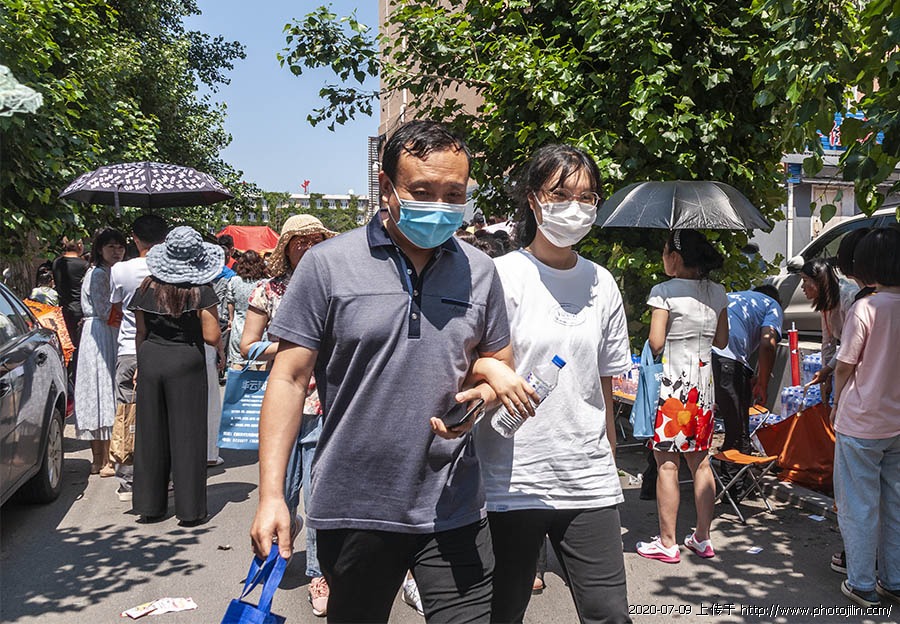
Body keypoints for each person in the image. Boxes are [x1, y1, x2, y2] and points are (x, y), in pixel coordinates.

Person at [249, 120, 511, 623]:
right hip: (355, 505)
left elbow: (498, 366)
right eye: (423, 191)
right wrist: (272, 496)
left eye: (454, 194)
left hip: (452, 502)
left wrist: (480, 398)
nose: (440, 205)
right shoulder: (327, 265)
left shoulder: (480, 271)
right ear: (386, 186)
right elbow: (288, 379)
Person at [473, 144, 633, 622]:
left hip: (588, 478)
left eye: (587, 197)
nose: (574, 207)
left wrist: (609, 456)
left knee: (609, 614)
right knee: (503, 612)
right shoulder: (501, 276)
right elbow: (470, 364)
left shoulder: (602, 283)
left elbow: (603, 384)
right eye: (561, 194)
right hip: (512, 479)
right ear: (533, 199)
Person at [240, 214, 336, 617]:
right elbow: (246, 346)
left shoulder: (336, 286)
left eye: (316, 240)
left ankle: (318, 573)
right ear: (286, 248)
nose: (309, 247)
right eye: (301, 241)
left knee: (317, 496)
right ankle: (278, 539)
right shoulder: (267, 291)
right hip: (281, 406)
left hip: (323, 405)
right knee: (282, 487)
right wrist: (292, 347)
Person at [636, 229, 728, 564]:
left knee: (667, 464)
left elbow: (656, 342)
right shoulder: (717, 292)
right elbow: (721, 341)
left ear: (675, 257)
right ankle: (702, 537)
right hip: (702, 389)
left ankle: (667, 542)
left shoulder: (664, 292)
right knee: (701, 462)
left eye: (664, 252)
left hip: (673, 389)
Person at [130, 226, 223, 525]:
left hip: (151, 356)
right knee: (188, 434)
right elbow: (211, 335)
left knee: (150, 432)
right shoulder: (200, 290)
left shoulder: (146, 287)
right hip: (185, 359)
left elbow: (141, 331)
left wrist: (141, 364)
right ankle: (189, 510)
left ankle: (149, 505)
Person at [831, 227, 900, 609]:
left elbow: (845, 365)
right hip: (897, 424)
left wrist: (836, 401)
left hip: (861, 422)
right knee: (895, 505)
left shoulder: (866, 307)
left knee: (859, 505)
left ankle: (861, 583)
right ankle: (894, 579)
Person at [109, 214, 168, 502]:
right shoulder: (171, 269)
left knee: (127, 412)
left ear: (134, 238)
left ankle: (128, 479)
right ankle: (164, 476)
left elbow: (115, 307)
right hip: (163, 348)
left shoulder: (120, 270)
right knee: (163, 413)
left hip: (129, 349)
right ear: (165, 238)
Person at [74, 228, 126, 475]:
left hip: (104, 332)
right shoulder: (99, 274)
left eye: (120, 247)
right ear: (100, 249)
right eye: (111, 247)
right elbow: (106, 311)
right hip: (102, 334)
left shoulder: (105, 272)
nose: (117, 251)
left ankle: (102, 459)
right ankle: (104, 460)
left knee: (101, 392)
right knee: (102, 391)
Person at [712, 285, 783, 454]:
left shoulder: (732, 297)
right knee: (738, 432)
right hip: (728, 359)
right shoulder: (772, 304)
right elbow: (768, 344)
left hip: (700, 355)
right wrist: (763, 384)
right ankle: (734, 470)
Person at [799, 258, 853, 400]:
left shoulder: (848, 298)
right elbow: (828, 341)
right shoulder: (826, 303)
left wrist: (827, 370)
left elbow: (850, 342)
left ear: (819, 281)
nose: (802, 287)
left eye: (805, 280)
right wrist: (827, 379)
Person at [226, 250, 266, 368]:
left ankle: (237, 381)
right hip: (260, 327)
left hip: (239, 325)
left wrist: (231, 319)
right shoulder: (264, 283)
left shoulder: (234, 281)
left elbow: (230, 301)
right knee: (262, 360)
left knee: (238, 360)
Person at [52, 237, 89, 352]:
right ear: (79, 246)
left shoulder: (57, 263)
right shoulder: (84, 265)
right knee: (80, 345)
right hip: (80, 309)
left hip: (63, 309)